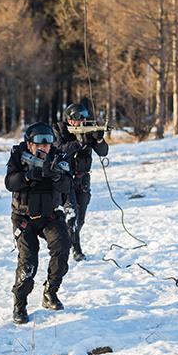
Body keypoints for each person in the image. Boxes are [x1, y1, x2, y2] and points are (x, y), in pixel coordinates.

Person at [5, 122, 73, 324]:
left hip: (50, 216)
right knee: (28, 263)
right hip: (23, 217)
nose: (45, 148)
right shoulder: (18, 155)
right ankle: (20, 304)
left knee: (63, 247)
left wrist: (55, 176)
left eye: (48, 144)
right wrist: (28, 176)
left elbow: (67, 186)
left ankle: (50, 292)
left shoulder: (58, 157)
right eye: (40, 144)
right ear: (29, 144)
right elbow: (10, 183)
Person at [52, 103, 109, 261]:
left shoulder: (88, 130)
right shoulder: (59, 130)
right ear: (70, 119)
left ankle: (70, 239)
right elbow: (59, 149)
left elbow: (103, 152)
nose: (83, 121)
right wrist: (78, 143)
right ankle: (76, 250)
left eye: (85, 118)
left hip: (83, 179)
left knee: (80, 218)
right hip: (65, 179)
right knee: (71, 216)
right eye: (79, 118)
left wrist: (98, 140)